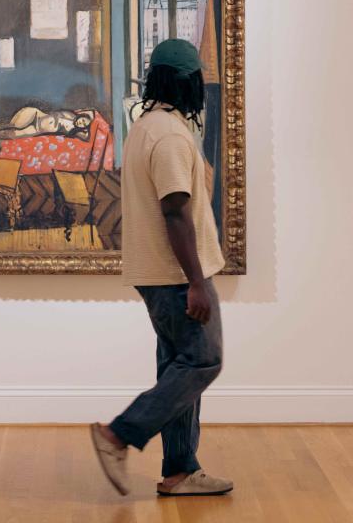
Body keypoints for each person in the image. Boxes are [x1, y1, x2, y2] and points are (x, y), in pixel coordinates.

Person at [89, 38, 232, 498]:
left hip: (159, 275)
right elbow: (175, 211)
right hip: (175, 277)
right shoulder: (169, 136)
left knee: (178, 365)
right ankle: (119, 434)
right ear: (185, 82)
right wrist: (195, 282)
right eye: (197, 81)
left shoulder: (148, 126)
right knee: (202, 361)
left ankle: (181, 471)